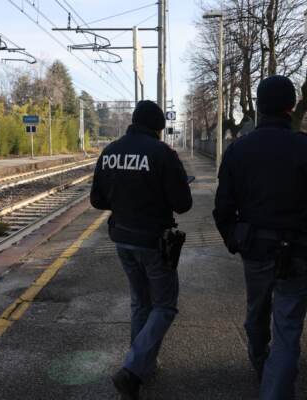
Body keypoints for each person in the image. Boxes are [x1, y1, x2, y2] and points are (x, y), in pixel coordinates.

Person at [213, 75, 307, 400]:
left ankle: (263, 367)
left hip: (255, 250)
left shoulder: (238, 150)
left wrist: (235, 241)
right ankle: (275, 384)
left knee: (256, 316)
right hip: (299, 254)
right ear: (290, 107)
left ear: (258, 106)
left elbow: (222, 208)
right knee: (287, 330)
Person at [90, 100, 192, 400]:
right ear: (159, 128)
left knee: (140, 303)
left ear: (133, 122)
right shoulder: (162, 154)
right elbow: (182, 204)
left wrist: (124, 200)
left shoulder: (109, 152)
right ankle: (133, 370)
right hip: (153, 242)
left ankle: (140, 365)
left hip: (122, 239)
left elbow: (97, 200)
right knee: (165, 306)